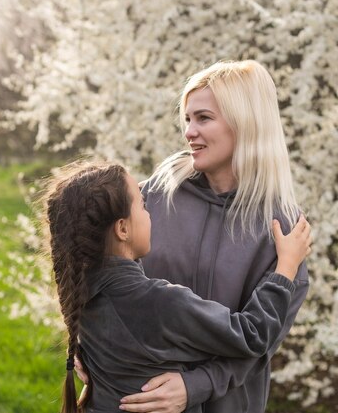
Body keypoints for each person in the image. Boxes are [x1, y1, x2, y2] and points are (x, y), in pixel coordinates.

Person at [40, 161, 312, 413]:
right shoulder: (160, 302)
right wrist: (285, 269)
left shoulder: (81, 294)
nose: (151, 215)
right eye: (144, 205)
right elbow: (252, 335)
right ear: (122, 229)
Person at [117, 60, 310, 413]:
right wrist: (87, 342)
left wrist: (193, 387)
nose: (189, 131)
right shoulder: (156, 195)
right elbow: (104, 275)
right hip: (138, 399)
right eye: (188, 119)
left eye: (203, 118)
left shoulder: (282, 230)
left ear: (245, 124)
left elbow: (261, 342)